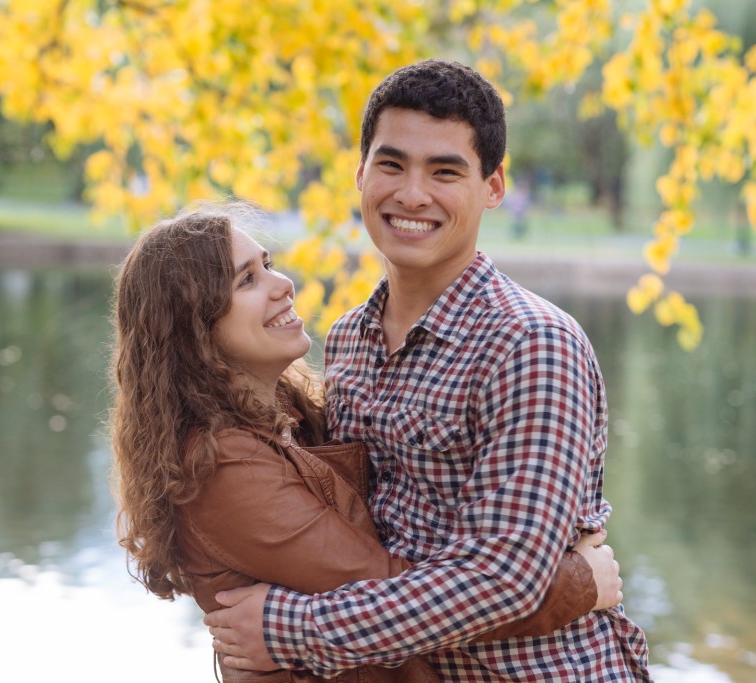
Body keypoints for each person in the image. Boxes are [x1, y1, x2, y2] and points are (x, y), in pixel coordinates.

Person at [204, 60, 651, 681]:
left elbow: (501, 578)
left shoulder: (532, 345)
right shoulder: (350, 338)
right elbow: (346, 537)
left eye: (445, 171)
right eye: (392, 164)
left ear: (493, 187)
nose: (412, 194)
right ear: (361, 173)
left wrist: (288, 630)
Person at [110, 203, 626, 682]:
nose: (283, 284)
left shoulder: (288, 417)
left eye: (268, 264)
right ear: (194, 328)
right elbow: (385, 582)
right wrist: (576, 583)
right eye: (247, 280)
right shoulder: (223, 467)